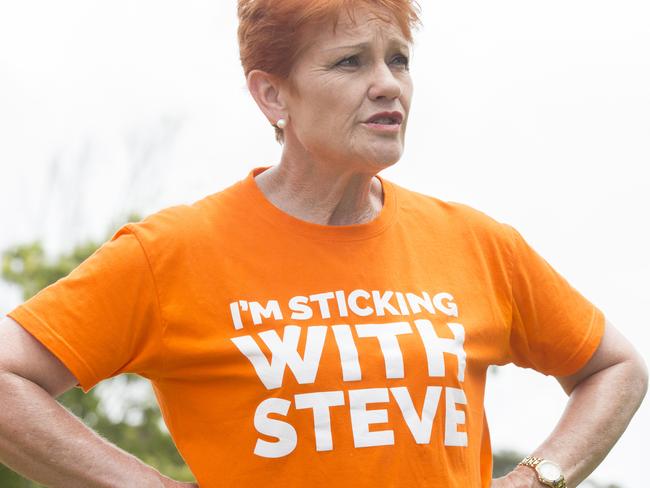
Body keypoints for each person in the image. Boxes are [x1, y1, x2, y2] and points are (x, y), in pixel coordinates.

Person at [0, 1, 646, 487]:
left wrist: (538, 477)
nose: (388, 83)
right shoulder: (175, 251)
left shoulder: (475, 242)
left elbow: (616, 368)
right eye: (350, 61)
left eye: (398, 59)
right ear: (272, 93)